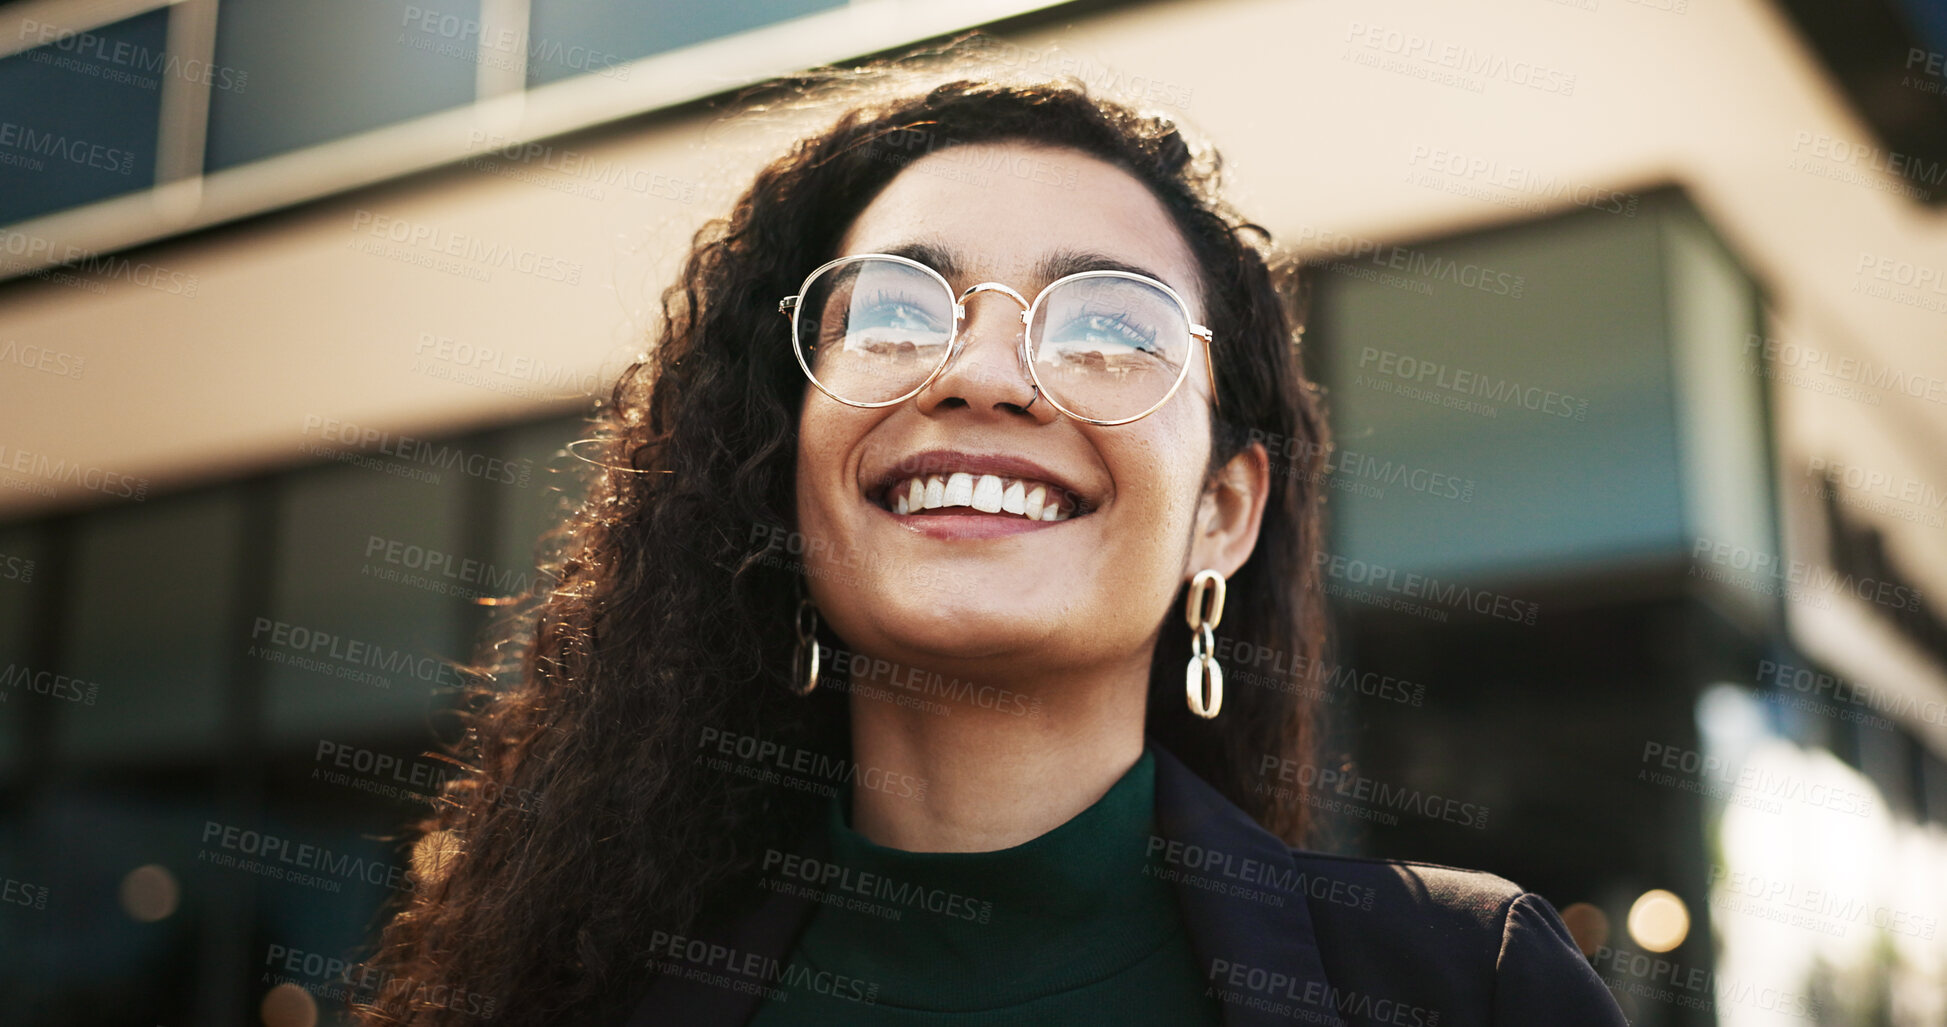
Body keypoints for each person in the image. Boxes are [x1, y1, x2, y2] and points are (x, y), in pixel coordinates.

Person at [352, 57, 1629, 1027]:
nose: (984, 371)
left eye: (1110, 328)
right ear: (778, 468)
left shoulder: (1468, 981)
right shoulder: (589, 999)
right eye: (897, 311)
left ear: (1222, 512)